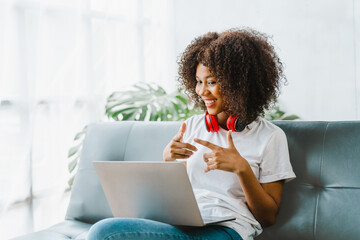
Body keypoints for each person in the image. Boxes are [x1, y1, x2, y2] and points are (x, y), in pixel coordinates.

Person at [87, 28, 296, 240]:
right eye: (198, 81)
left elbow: (268, 217)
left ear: (240, 84)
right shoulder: (192, 126)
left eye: (212, 82)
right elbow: (181, 196)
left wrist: (242, 168)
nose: (201, 91)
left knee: (103, 233)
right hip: (185, 223)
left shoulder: (270, 137)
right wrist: (169, 161)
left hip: (229, 229)